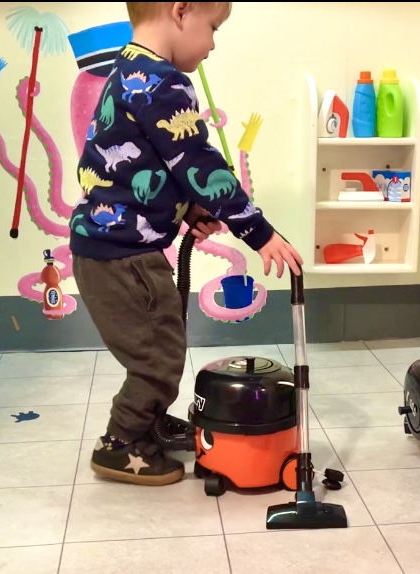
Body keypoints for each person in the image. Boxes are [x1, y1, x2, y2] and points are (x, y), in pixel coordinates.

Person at [69, 1, 303, 486]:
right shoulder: (164, 81)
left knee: (158, 342)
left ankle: (148, 422)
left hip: (110, 249)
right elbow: (199, 161)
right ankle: (122, 442)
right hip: (124, 257)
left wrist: (189, 209)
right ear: (180, 11)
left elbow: (145, 167)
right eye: (213, 28)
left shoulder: (127, 69)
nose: (214, 43)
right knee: (159, 355)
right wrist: (257, 232)